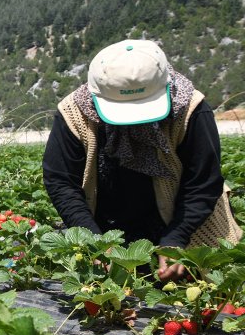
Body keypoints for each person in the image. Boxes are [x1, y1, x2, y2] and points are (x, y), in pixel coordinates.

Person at [42, 38, 241, 282]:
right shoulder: (74, 113)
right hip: (107, 225)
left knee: (202, 294)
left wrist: (176, 239)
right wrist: (94, 240)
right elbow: (61, 182)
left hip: (188, 224)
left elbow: (203, 183)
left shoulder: (190, 109)